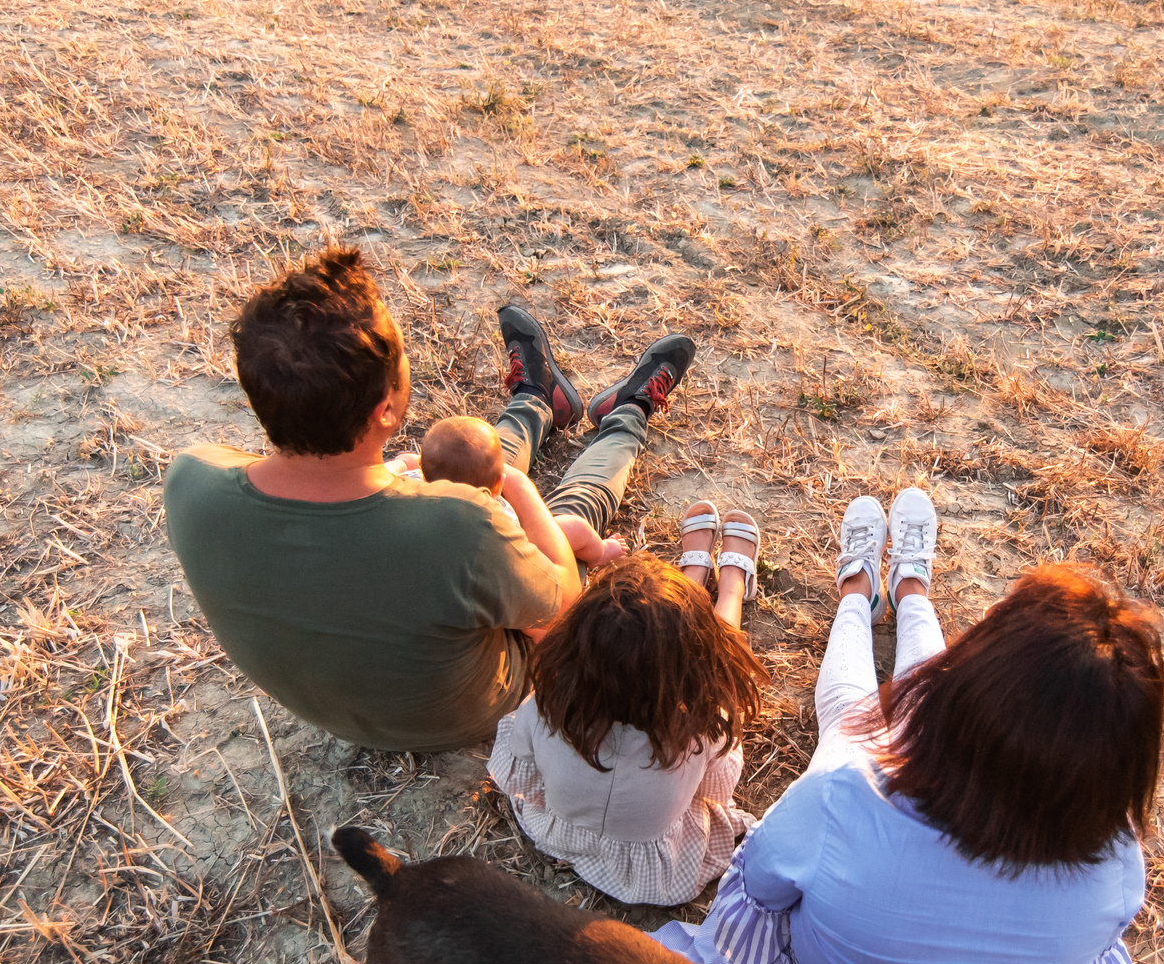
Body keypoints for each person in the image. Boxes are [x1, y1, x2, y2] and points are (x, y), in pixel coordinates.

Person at [655, 491, 1164, 964]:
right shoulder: (1115, 872)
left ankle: (858, 593)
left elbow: (761, 887)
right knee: (875, 714)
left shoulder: (843, 795)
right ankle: (911, 586)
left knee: (848, 719)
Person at [163, 245, 693, 752]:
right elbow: (563, 610)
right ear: (387, 410)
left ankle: (536, 399)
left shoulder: (190, 480)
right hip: (462, 711)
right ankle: (628, 414)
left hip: (331, 707)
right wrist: (518, 488)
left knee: (465, 463)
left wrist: (396, 475)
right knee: (563, 514)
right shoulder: (460, 527)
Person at [487, 532, 768, 906]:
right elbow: (713, 792)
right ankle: (727, 589)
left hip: (565, 835)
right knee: (705, 634)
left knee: (666, 630)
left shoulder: (547, 705)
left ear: (575, 646)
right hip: (658, 869)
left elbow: (519, 771)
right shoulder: (701, 724)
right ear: (695, 672)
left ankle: (693, 579)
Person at [399, 414, 627, 571]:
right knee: (574, 525)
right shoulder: (498, 519)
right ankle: (600, 553)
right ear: (499, 485)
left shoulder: (406, 489)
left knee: (474, 458)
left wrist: (403, 463)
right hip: (516, 551)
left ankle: (536, 398)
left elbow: (405, 463)